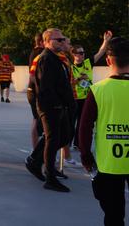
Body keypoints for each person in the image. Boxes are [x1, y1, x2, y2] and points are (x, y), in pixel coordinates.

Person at [79, 37, 129, 226]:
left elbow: (84, 128)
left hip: (109, 164)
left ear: (108, 61)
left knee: (114, 216)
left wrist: (85, 156)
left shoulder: (98, 90)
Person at [25, 28, 76, 192]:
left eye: (63, 39)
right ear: (46, 42)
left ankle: (34, 161)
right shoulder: (46, 59)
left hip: (60, 106)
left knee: (63, 137)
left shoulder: (57, 58)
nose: (62, 42)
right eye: (57, 40)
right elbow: (46, 88)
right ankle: (50, 178)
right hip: (51, 107)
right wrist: (57, 105)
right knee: (53, 139)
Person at [70, 31, 113, 151]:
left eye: (83, 53)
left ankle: (77, 144)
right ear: (73, 54)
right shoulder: (69, 67)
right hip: (74, 98)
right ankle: (66, 144)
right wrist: (79, 79)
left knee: (82, 122)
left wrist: (106, 41)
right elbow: (66, 84)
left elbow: (101, 52)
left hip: (86, 97)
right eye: (80, 53)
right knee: (71, 123)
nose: (83, 55)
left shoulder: (88, 63)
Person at [27, 33, 45, 147]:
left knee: (36, 119)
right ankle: (36, 151)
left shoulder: (33, 52)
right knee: (38, 120)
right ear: (42, 42)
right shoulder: (40, 53)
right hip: (36, 90)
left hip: (32, 90)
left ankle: (35, 150)